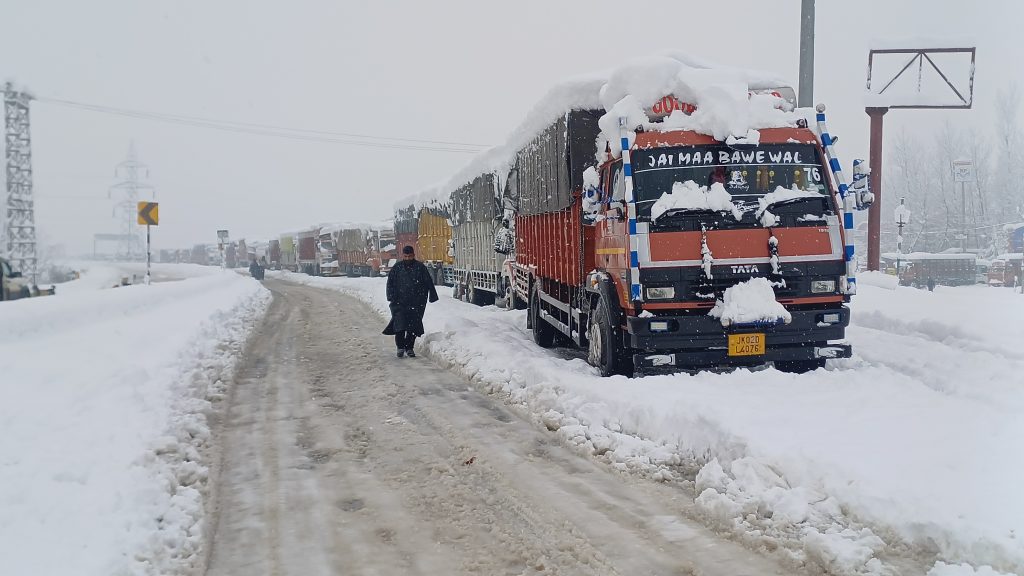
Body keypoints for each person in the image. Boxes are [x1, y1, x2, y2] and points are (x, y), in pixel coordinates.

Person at [382, 245, 439, 357]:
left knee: (413, 326)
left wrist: (432, 296)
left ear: (413, 255)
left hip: (416, 302)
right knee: (400, 325)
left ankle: (409, 348)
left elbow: (428, 282)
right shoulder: (397, 268)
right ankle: (400, 347)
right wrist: (391, 297)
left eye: (410, 256)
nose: (408, 258)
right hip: (399, 302)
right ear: (403, 256)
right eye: (406, 256)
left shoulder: (420, 267)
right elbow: (390, 283)